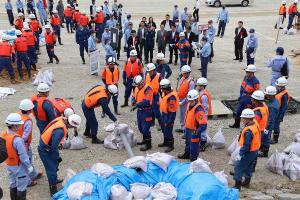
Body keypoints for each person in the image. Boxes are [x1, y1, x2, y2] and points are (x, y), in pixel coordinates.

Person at [38, 114, 81, 196]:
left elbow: (54, 142)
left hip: (47, 145)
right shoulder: (60, 131)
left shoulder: (62, 119)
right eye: (74, 126)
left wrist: (58, 148)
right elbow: (54, 148)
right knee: (51, 168)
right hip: (44, 149)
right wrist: (57, 157)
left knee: (55, 164)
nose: (73, 128)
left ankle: (55, 179)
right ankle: (53, 189)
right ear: (71, 124)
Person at [1, 113, 33, 200]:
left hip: (9, 164)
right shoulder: (17, 139)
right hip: (19, 166)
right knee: (22, 186)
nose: (19, 127)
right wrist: (29, 166)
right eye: (18, 125)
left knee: (13, 183)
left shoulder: (2, 135)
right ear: (14, 126)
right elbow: (23, 156)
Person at [233, 109, 260, 191]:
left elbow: (246, 145)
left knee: (239, 167)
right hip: (254, 151)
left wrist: (240, 155)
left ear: (247, 119)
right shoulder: (255, 124)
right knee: (249, 167)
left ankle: (237, 186)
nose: (241, 120)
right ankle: (246, 183)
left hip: (248, 152)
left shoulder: (248, 131)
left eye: (243, 118)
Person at [18, 99, 43, 186]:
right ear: (29, 110)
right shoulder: (27, 121)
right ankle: (28, 181)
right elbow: (25, 135)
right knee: (26, 162)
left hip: (18, 142)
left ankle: (34, 174)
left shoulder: (18, 115)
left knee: (28, 160)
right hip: (23, 144)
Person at [178, 89, 207, 161]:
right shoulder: (189, 104)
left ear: (196, 99)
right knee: (187, 143)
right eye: (189, 101)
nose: (190, 102)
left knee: (194, 146)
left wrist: (197, 131)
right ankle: (187, 154)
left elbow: (203, 124)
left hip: (194, 131)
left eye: (191, 101)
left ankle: (194, 159)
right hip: (188, 129)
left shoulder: (199, 110)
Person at [131, 75, 154, 151]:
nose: (137, 86)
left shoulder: (148, 90)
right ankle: (144, 140)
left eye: (138, 85)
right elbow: (134, 96)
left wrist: (136, 105)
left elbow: (146, 101)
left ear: (142, 83)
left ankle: (148, 144)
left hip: (146, 111)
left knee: (145, 128)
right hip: (140, 111)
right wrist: (133, 101)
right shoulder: (137, 88)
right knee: (140, 127)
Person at [258, 86, 279, 157]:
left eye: (267, 94)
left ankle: (265, 152)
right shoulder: (273, 101)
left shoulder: (273, 106)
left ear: (271, 95)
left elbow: (271, 119)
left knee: (266, 136)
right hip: (267, 124)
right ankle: (261, 149)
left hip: (268, 125)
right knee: (263, 136)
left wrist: (266, 128)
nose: (265, 95)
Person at [159, 79, 179, 152]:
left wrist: (170, 121)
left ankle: (171, 145)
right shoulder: (166, 93)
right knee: (164, 129)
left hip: (169, 115)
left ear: (165, 88)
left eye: (162, 88)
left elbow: (172, 111)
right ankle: (166, 142)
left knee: (168, 130)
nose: (161, 90)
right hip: (164, 114)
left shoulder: (171, 98)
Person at [251, 90, 268, 171]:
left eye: (253, 99)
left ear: (255, 100)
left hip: (256, 133)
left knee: (253, 150)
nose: (252, 100)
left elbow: (254, 123)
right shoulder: (264, 106)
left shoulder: (257, 112)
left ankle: (252, 167)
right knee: (256, 149)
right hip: (262, 130)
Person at [176, 65, 195, 133]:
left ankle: (186, 130)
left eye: (184, 73)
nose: (183, 74)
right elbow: (179, 88)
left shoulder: (191, 82)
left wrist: (183, 102)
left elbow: (190, 95)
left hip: (186, 101)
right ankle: (182, 127)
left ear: (187, 73)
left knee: (185, 116)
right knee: (181, 115)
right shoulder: (182, 78)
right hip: (181, 99)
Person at [196, 77, 212, 151]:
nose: (197, 86)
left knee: (203, 129)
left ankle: (203, 144)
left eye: (198, 85)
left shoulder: (204, 96)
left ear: (202, 86)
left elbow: (205, 107)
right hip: (200, 114)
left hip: (203, 115)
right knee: (200, 128)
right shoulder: (201, 92)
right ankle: (201, 141)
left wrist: (203, 118)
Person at [145, 63, 163, 129]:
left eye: (150, 71)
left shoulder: (159, 76)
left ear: (154, 70)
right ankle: (152, 122)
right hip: (148, 95)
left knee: (157, 112)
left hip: (155, 95)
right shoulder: (146, 75)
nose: (149, 73)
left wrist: (162, 96)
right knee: (150, 109)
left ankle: (161, 124)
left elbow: (162, 87)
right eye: (148, 71)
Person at [272, 77, 289, 144]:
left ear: (282, 86)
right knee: (272, 124)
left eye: (277, 86)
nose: (276, 86)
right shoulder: (278, 91)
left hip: (278, 113)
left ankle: (275, 139)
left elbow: (284, 107)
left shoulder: (284, 95)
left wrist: (280, 116)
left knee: (276, 125)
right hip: (275, 111)